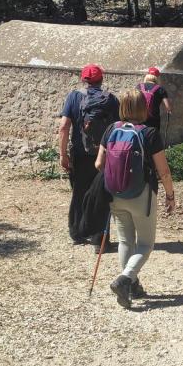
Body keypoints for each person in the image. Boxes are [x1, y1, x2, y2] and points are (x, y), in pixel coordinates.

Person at [95, 89, 176, 308]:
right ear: (144, 108)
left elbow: (99, 164)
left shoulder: (111, 129)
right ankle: (125, 279)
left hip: (115, 194)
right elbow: (164, 171)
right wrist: (170, 195)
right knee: (146, 244)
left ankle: (131, 286)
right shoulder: (149, 133)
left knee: (125, 241)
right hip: (142, 195)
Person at [58, 63, 119, 249]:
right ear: (102, 79)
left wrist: (63, 155)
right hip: (103, 155)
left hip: (79, 153)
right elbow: (116, 129)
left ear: (83, 80)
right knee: (101, 194)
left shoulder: (74, 97)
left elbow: (63, 127)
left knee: (79, 192)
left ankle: (77, 232)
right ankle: (99, 239)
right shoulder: (111, 100)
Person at [138, 66, 172, 131]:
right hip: (153, 118)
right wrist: (169, 110)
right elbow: (167, 107)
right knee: (153, 136)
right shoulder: (160, 89)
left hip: (139, 116)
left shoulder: (139, 86)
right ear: (157, 77)